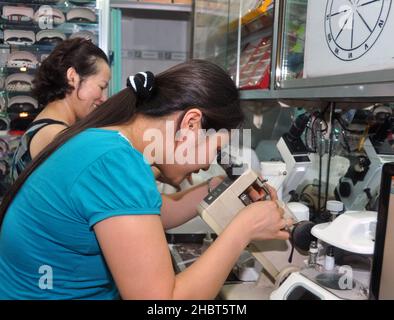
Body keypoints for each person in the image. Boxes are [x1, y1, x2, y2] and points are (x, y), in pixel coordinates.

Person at [0, 60, 292, 300]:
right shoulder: (115, 164)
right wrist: (242, 231)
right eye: (214, 150)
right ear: (190, 124)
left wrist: (217, 188)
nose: (206, 165)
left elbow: (156, 212)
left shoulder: (105, 142)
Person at [10, 37, 111, 182]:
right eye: (101, 87)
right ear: (72, 77)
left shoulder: (48, 128)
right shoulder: (55, 135)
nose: (103, 98)